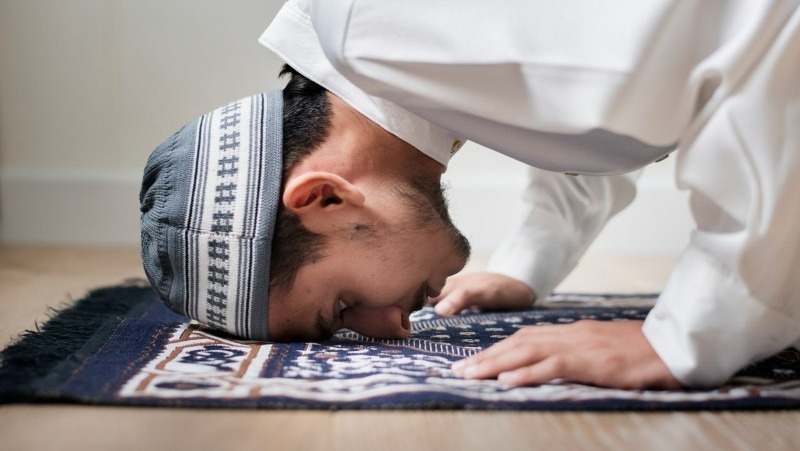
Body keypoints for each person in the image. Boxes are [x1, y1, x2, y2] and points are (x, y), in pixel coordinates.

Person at [141, 0, 800, 389]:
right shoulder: (392, 50)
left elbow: (760, 34)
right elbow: (623, 89)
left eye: (342, 305)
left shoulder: (385, 25)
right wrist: (531, 262)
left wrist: (693, 331)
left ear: (323, 198)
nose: (393, 327)